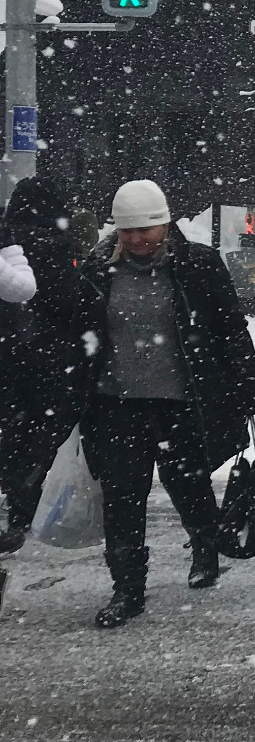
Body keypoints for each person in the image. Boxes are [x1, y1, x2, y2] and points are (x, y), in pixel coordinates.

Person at [78, 179, 255, 629]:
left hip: (182, 402)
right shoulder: (98, 269)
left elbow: (229, 329)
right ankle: (127, 589)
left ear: (165, 222)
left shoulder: (197, 264)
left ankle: (204, 547)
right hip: (115, 405)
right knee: (121, 498)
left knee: (189, 486)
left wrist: (245, 386)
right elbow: (79, 336)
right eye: (128, 231)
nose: (138, 239)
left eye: (147, 229)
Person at [0, 175, 85, 555]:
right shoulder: (58, 250)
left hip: (11, 359)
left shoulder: (10, 248)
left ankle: (18, 502)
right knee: (37, 439)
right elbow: (72, 305)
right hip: (50, 363)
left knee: (14, 436)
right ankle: (23, 507)